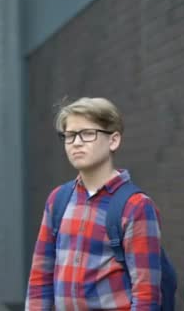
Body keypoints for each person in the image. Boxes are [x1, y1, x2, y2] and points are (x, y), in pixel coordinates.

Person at [26, 97, 162, 310]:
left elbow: (146, 294)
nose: (76, 142)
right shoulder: (58, 199)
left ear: (113, 140)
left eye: (87, 134)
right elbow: (40, 278)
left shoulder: (135, 206)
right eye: (69, 135)